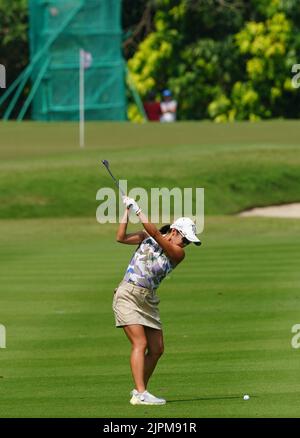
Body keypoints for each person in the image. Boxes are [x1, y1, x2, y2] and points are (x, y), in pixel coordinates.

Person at [113, 195, 201, 405]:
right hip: (127, 294)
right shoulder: (147, 237)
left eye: (189, 241)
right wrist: (127, 211)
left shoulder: (177, 253)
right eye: (185, 238)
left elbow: (154, 232)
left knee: (157, 348)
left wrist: (138, 209)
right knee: (140, 343)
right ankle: (141, 393)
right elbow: (121, 237)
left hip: (148, 300)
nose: (186, 243)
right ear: (174, 231)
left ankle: (138, 391)